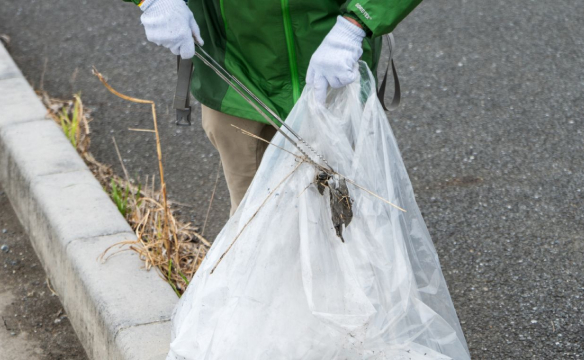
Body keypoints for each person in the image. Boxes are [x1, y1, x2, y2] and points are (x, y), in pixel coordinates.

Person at [125, 0, 423, 215]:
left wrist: (358, 23)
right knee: (254, 222)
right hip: (236, 71)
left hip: (333, 67)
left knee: (346, 218)